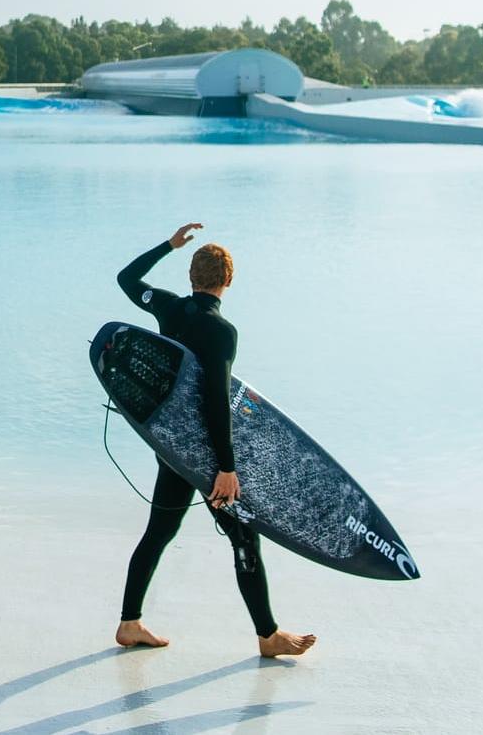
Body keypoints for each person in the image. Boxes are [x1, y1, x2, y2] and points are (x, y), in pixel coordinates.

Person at [112, 223, 317, 659]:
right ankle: (268, 635)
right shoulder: (222, 332)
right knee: (244, 538)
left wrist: (168, 245)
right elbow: (217, 400)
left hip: (171, 447)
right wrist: (226, 468)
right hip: (205, 457)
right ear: (229, 280)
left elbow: (126, 279)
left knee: (159, 532)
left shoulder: (168, 308)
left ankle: (130, 623)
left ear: (192, 277)